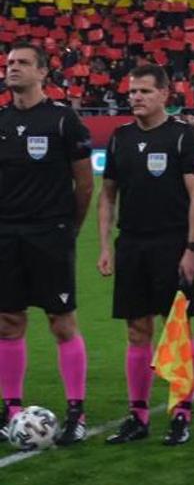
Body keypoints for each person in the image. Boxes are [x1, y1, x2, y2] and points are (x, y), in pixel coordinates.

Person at [97, 64, 194, 446]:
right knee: (136, 330)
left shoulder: (182, 137)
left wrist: (192, 249)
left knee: (177, 330)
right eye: (132, 92)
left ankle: (181, 413)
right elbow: (108, 194)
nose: (136, 98)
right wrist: (106, 246)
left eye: (144, 91)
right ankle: (138, 415)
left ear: (164, 94)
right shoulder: (119, 138)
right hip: (132, 244)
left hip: (171, 244)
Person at [0, 42, 94, 443]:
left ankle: (77, 412)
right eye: (9, 63)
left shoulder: (63, 121)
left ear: (42, 73)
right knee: (8, 323)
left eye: (22, 63)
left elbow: (85, 183)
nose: (13, 68)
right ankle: (12, 410)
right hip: (5, 233)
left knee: (61, 322)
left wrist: (67, 228)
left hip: (50, 233)